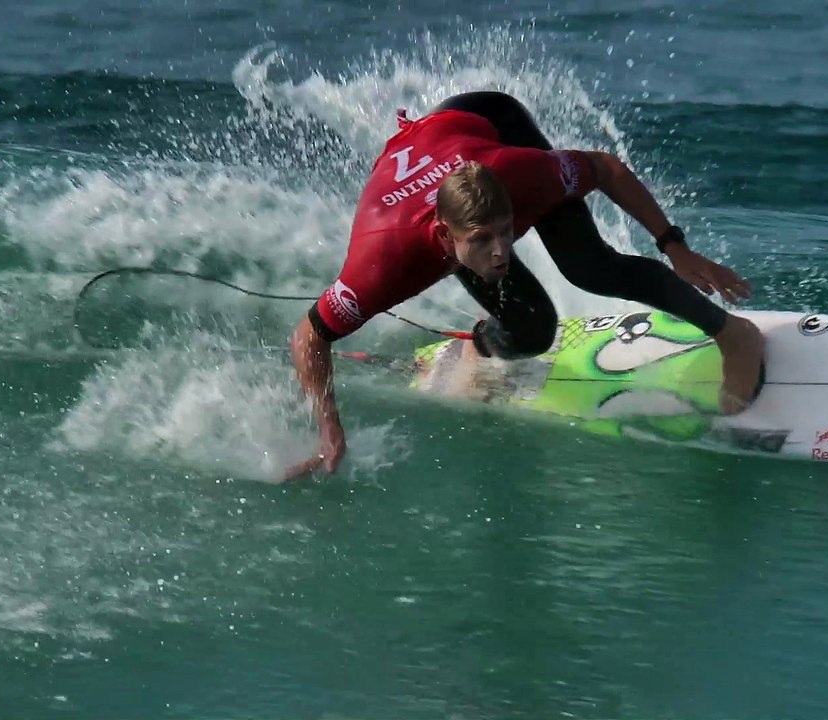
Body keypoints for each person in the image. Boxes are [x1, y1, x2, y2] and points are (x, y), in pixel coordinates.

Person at [284, 90, 765, 480]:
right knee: (534, 331)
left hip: (487, 121)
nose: (500, 250)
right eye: (483, 240)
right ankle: (482, 344)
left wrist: (673, 246)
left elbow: (606, 169)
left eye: (507, 232)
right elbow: (309, 337)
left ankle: (731, 333)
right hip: (423, 179)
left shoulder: (521, 173)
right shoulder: (382, 263)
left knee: (590, 267)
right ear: (443, 236)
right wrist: (330, 431)